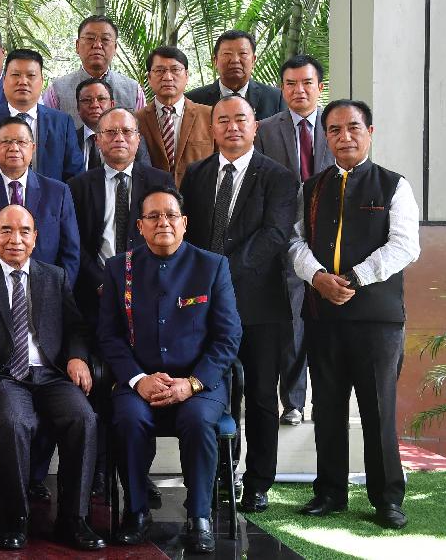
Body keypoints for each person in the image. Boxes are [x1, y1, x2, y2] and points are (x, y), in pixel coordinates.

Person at [289, 99, 421, 530]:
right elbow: (295, 242)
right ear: (325, 137)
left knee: (378, 409)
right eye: (334, 130)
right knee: (326, 407)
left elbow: (405, 245)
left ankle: (387, 498)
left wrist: (354, 278)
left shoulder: (394, 185)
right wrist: (318, 277)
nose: (344, 137)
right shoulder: (311, 187)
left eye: (353, 128)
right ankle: (329, 491)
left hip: (377, 321)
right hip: (323, 316)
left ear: (370, 132)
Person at [0, 205, 104, 551]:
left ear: (35, 238)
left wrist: (77, 356)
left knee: (83, 418)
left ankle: (74, 519)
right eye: (6, 230)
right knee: (14, 422)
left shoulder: (55, 277)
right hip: (4, 376)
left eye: (24, 231)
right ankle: (15, 517)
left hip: (50, 374)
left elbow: (77, 327)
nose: (14, 239)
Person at [98, 186, 242, 554]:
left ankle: (199, 517)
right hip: (139, 380)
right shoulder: (119, 269)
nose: (163, 222)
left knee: (197, 420)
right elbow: (109, 336)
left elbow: (228, 337)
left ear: (184, 223)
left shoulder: (212, 266)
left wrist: (191, 384)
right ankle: (136, 511)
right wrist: (138, 379)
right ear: (140, 226)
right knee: (128, 419)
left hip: (198, 383)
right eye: (153, 216)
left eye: (171, 215)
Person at [180, 95, 298, 514]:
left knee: (262, 396)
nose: (232, 127)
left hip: (260, 307)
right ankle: (219, 474)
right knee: (212, 391)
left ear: (255, 127)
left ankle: (258, 482)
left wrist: (219, 273)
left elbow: (275, 235)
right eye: (223, 120)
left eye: (240, 120)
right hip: (202, 307)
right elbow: (186, 235)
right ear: (212, 128)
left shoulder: (279, 177)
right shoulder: (196, 174)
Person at [255, 54, 334, 426]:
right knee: (292, 324)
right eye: (290, 84)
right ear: (281, 89)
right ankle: (293, 401)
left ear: (320, 87)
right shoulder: (266, 130)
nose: (299, 90)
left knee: (330, 324)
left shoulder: (336, 126)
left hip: (332, 240)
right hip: (285, 239)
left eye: (306, 83)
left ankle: (328, 400)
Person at [67, 107, 174, 334]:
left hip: (150, 289)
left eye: (127, 131)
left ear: (138, 139)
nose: (119, 138)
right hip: (96, 292)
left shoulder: (161, 181)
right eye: (111, 132)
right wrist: (100, 281)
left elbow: (170, 237)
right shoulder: (78, 186)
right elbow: (74, 242)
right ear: (98, 140)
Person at [0, 116, 80, 279]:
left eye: (22, 142)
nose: (14, 148)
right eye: (6, 142)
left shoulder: (58, 192)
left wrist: (58, 289)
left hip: (47, 288)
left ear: (33, 147)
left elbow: (70, 251)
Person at [0, 49, 83, 182]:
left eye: (31, 75)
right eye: (16, 75)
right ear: (4, 80)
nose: (23, 81)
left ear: (42, 81)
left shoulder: (62, 123)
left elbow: (75, 176)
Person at [42, 15, 146, 123]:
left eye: (105, 39)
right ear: (77, 45)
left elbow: (142, 130)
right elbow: (44, 128)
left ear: (115, 48)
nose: (97, 45)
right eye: (90, 39)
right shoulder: (57, 91)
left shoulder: (133, 90)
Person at [136, 46, 213, 185]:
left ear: (187, 75)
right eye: (160, 71)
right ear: (149, 77)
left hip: (198, 195)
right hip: (151, 195)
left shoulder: (210, 116)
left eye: (175, 70)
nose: (168, 77)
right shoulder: (136, 121)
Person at [186, 29, 284, 119]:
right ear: (215, 61)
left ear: (253, 60)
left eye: (243, 53)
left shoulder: (276, 98)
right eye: (227, 54)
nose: (235, 60)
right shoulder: (192, 100)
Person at [73, 78, 151, 170]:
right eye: (87, 100)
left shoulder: (132, 139)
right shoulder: (70, 140)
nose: (94, 105)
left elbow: (145, 175)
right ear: (78, 107)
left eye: (101, 99)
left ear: (112, 105)